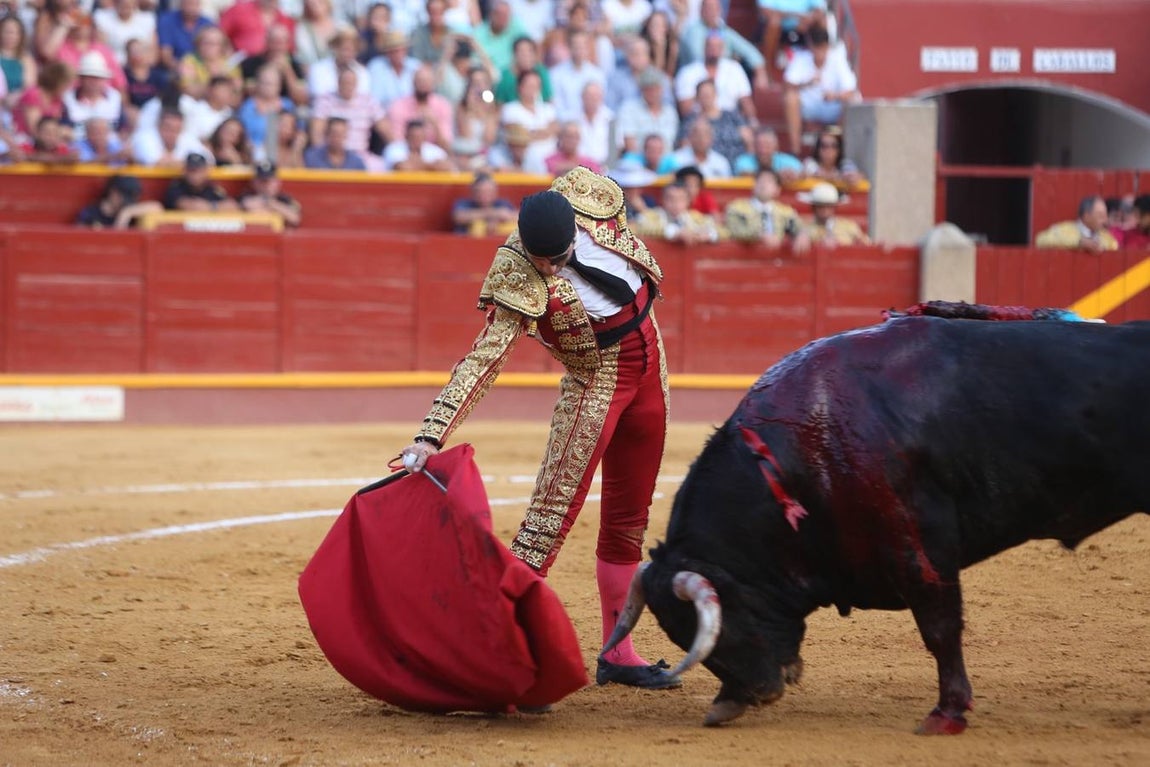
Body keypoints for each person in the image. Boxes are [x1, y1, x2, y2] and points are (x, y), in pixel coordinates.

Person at [398, 166, 680, 691]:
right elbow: (485, 359)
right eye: (544, 261)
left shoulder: (588, 197)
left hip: (651, 371)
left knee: (628, 521)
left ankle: (618, 652)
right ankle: (493, 659)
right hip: (596, 384)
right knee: (543, 528)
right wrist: (431, 434)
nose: (552, 266)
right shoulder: (517, 269)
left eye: (559, 255)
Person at [781, 24, 859, 156]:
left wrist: (835, 96)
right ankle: (795, 150)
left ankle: (841, 149)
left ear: (827, 46)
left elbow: (851, 90)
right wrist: (807, 83)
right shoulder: (801, 58)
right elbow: (787, 86)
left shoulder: (837, 59)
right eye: (815, 48)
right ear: (810, 46)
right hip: (808, 108)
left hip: (832, 107)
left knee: (853, 100)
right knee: (790, 98)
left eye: (821, 48)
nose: (818, 53)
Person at [724, 167, 810, 251]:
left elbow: (799, 226)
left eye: (769, 181)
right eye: (760, 181)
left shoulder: (785, 212)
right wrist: (759, 235)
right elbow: (734, 229)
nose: (763, 184)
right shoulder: (737, 208)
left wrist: (802, 234)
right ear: (754, 186)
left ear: (777, 189)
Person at [633, 180, 721, 244]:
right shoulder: (652, 216)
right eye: (671, 199)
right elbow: (641, 227)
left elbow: (723, 230)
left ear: (687, 201)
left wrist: (709, 234)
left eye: (681, 199)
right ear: (662, 200)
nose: (676, 204)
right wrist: (674, 232)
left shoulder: (695, 217)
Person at [1034, 195, 1119, 252]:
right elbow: (1040, 240)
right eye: (1100, 215)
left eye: (1105, 215)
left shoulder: (1106, 237)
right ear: (1087, 216)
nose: (1105, 220)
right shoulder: (1064, 230)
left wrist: (1101, 247)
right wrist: (1079, 243)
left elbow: (1115, 248)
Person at [75, 174, 162, 228]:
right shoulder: (91, 214)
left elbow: (158, 207)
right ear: (113, 193)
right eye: (125, 197)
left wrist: (127, 213)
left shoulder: (130, 211)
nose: (128, 202)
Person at [799, 180, 869, 246]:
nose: (825, 210)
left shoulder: (849, 226)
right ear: (813, 207)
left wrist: (841, 243)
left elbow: (867, 244)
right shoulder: (804, 227)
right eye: (820, 206)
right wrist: (802, 236)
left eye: (829, 206)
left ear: (834, 207)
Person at [163, 151, 237, 210]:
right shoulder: (177, 187)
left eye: (199, 171)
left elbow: (231, 206)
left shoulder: (212, 188)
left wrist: (211, 207)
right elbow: (185, 205)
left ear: (205, 172)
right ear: (184, 171)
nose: (195, 175)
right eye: (191, 170)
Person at [238, 159, 302, 227]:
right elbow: (247, 207)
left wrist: (270, 203)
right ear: (254, 182)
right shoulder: (246, 196)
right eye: (262, 181)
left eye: (269, 181)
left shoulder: (284, 199)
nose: (266, 185)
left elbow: (294, 218)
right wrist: (279, 212)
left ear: (277, 182)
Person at [450, 171, 517, 235]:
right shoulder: (464, 203)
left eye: (488, 191)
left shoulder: (502, 203)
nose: (484, 195)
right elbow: (458, 217)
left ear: (495, 192)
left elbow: (516, 216)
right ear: (473, 192)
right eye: (480, 191)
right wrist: (494, 214)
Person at [382, 117, 454, 170]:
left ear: (425, 137)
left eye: (419, 137)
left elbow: (446, 168)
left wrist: (416, 163)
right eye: (413, 137)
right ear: (406, 136)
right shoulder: (394, 148)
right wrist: (432, 166)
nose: (416, 140)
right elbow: (403, 168)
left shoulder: (435, 150)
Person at [732, 125, 802, 180]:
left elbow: (802, 173)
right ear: (754, 147)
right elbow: (745, 174)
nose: (763, 150)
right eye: (759, 145)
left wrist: (796, 175)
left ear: (776, 147)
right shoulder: (743, 160)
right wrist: (778, 176)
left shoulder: (789, 161)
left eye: (767, 146)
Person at [303, 115, 369, 169]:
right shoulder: (311, 157)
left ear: (346, 135)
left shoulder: (356, 162)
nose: (338, 138)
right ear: (327, 133)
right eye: (334, 133)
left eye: (341, 134)